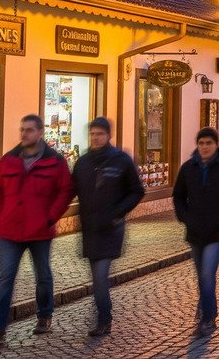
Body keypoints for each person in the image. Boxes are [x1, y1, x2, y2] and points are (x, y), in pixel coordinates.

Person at [0, 115, 75, 343]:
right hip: (10, 230)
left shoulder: (54, 161)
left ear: (41, 132)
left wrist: (51, 217)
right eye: (22, 129)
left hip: (40, 230)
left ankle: (44, 316)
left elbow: (66, 191)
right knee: (6, 277)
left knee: (43, 275)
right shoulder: (8, 160)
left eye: (29, 130)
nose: (24, 134)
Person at [71, 117, 144, 337]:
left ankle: (104, 319)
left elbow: (137, 191)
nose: (95, 137)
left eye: (99, 133)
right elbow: (70, 190)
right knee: (96, 276)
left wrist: (118, 213)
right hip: (91, 228)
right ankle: (104, 316)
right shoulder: (83, 162)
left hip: (112, 228)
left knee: (100, 276)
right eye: (92, 133)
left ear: (108, 135)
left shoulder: (121, 160)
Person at [172, 127, 219, 338]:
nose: (205, 147)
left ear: (216, 145)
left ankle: (208, 319)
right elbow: (178, 196)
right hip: (195, 231)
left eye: (209, 143)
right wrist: (185, 217)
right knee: (202, 275)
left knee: (207, 273)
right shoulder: (188, 168)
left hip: (215, 232)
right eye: (201, 143)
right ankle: (206, 306)